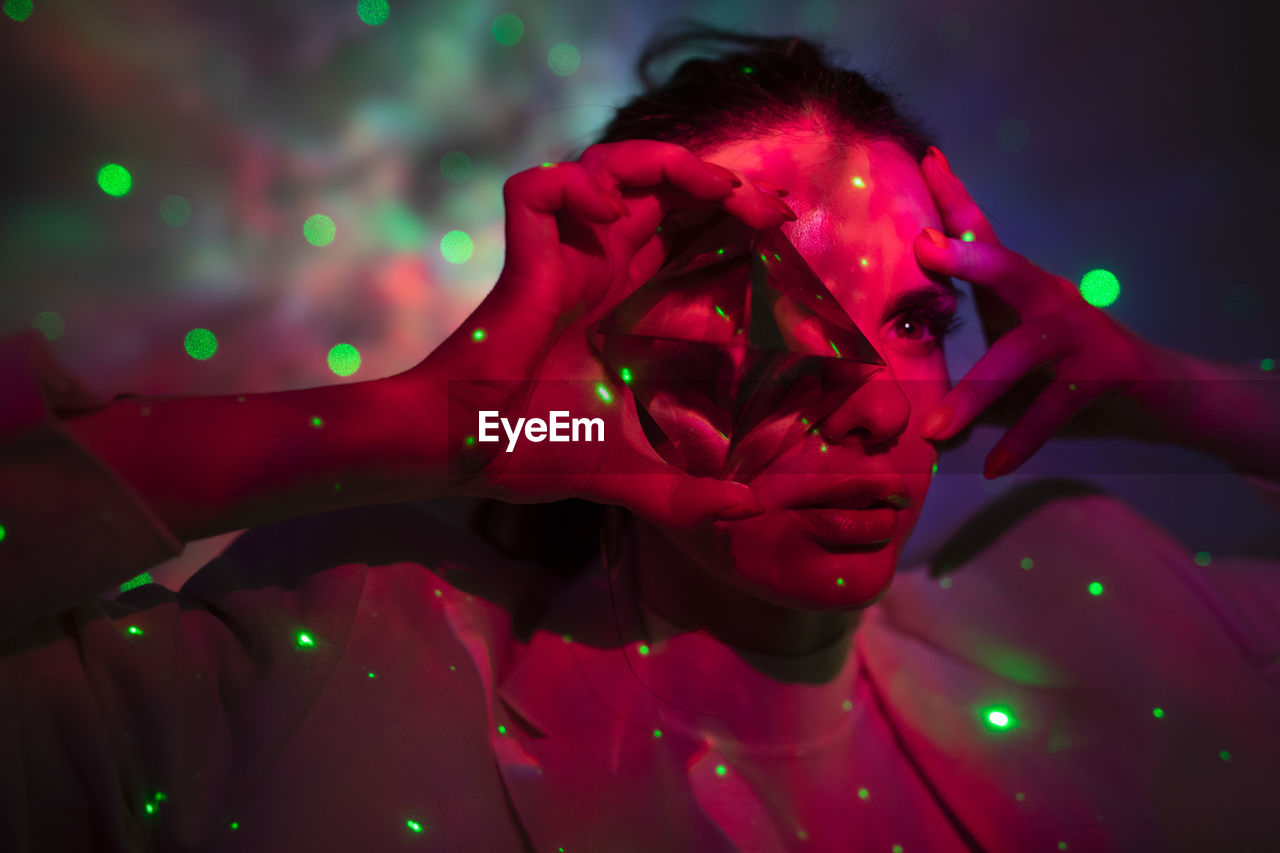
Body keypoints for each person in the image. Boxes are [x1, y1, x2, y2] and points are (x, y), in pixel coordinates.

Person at [2, 26, 1279, 853]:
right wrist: (424, 422)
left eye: (911, 317)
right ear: (610, 355)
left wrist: (1174, 393)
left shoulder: (1099, 606)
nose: (881, 403)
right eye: (769, 320)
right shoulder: (337, 660)